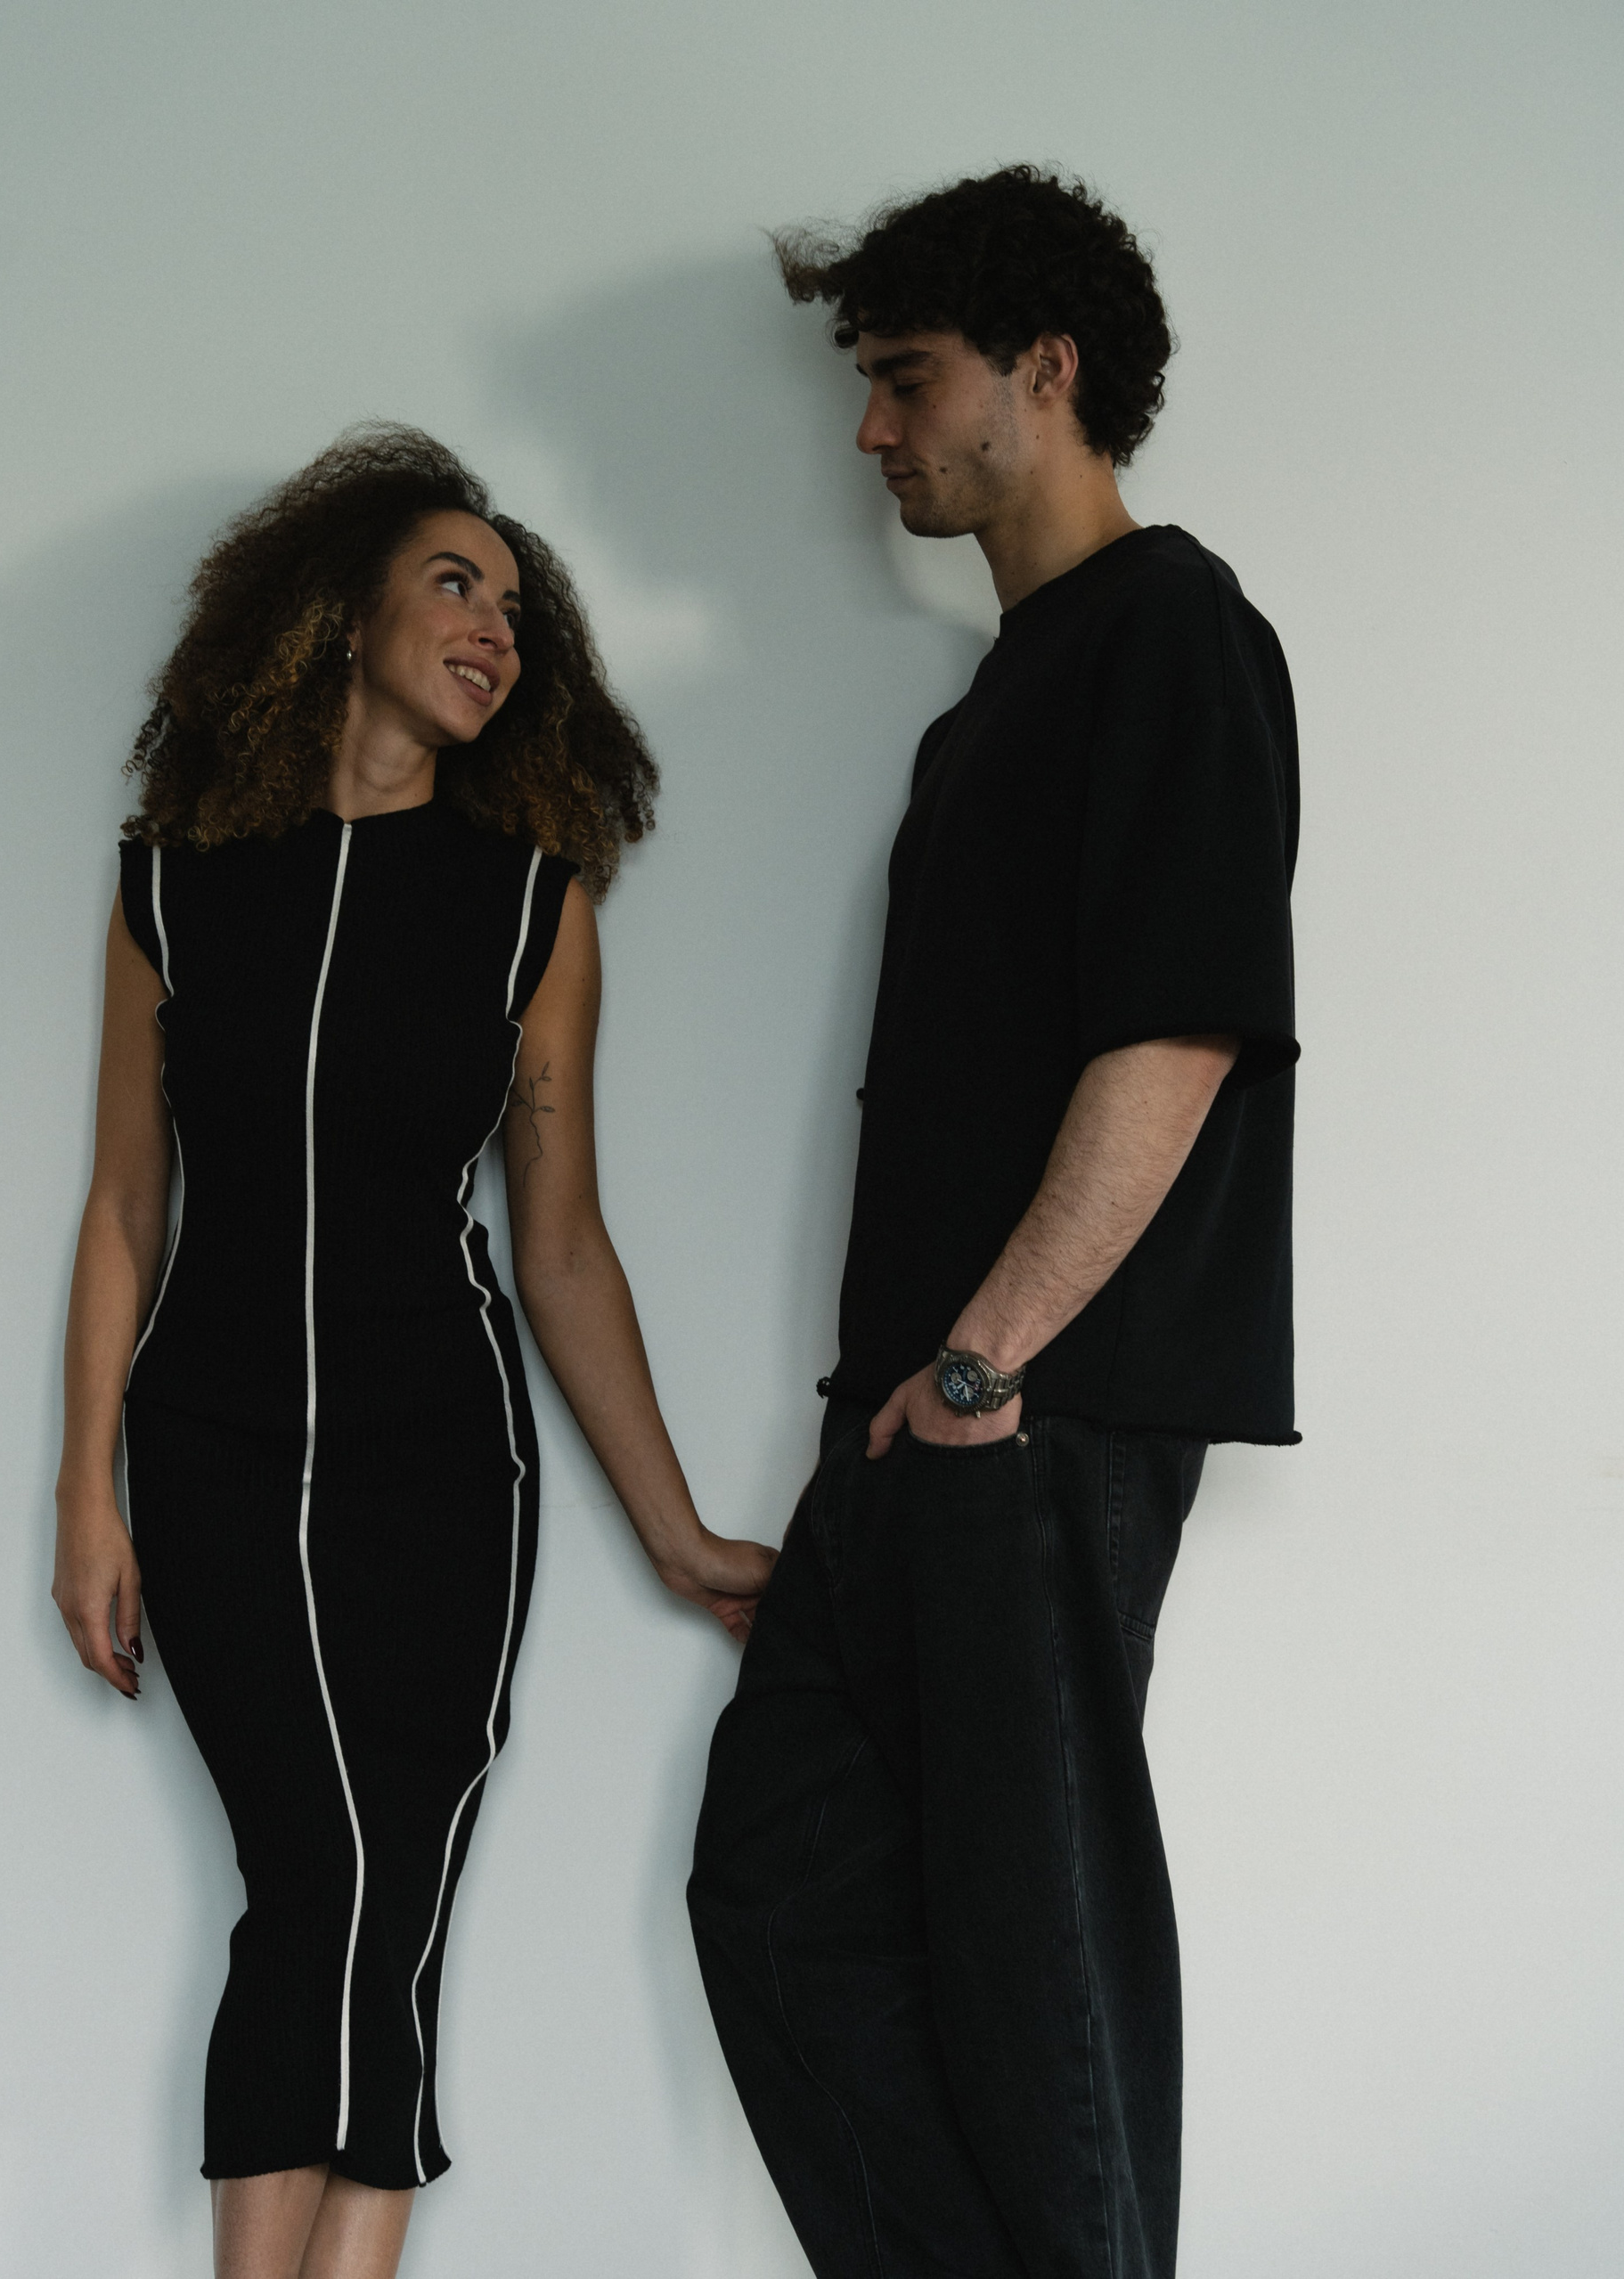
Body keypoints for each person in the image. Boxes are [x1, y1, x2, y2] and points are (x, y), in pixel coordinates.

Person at [52, 425, 775, 2279]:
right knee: (321, 1871)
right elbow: (126, 1204)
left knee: (395, 1892)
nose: (496, 627)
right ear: (340, 611)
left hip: (443, 1462)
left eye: (517, 607)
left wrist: (679, 1532)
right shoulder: (174, 887)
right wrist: (85, 1494)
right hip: (210, 1446)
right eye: (456, 582)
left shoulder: (531, 905)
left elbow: (563, 1247)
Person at [688, 167, 1299, 2279]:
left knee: (1037, 1980)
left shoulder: (1172, 631)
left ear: (1048, 370)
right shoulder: (998, 701)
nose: (872, 431)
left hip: (1029, 1414)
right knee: (779, 1898)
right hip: (913, 1425)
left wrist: (984, 1363)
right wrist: (916, 1397)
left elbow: (1180, 1031)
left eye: (906, 378)